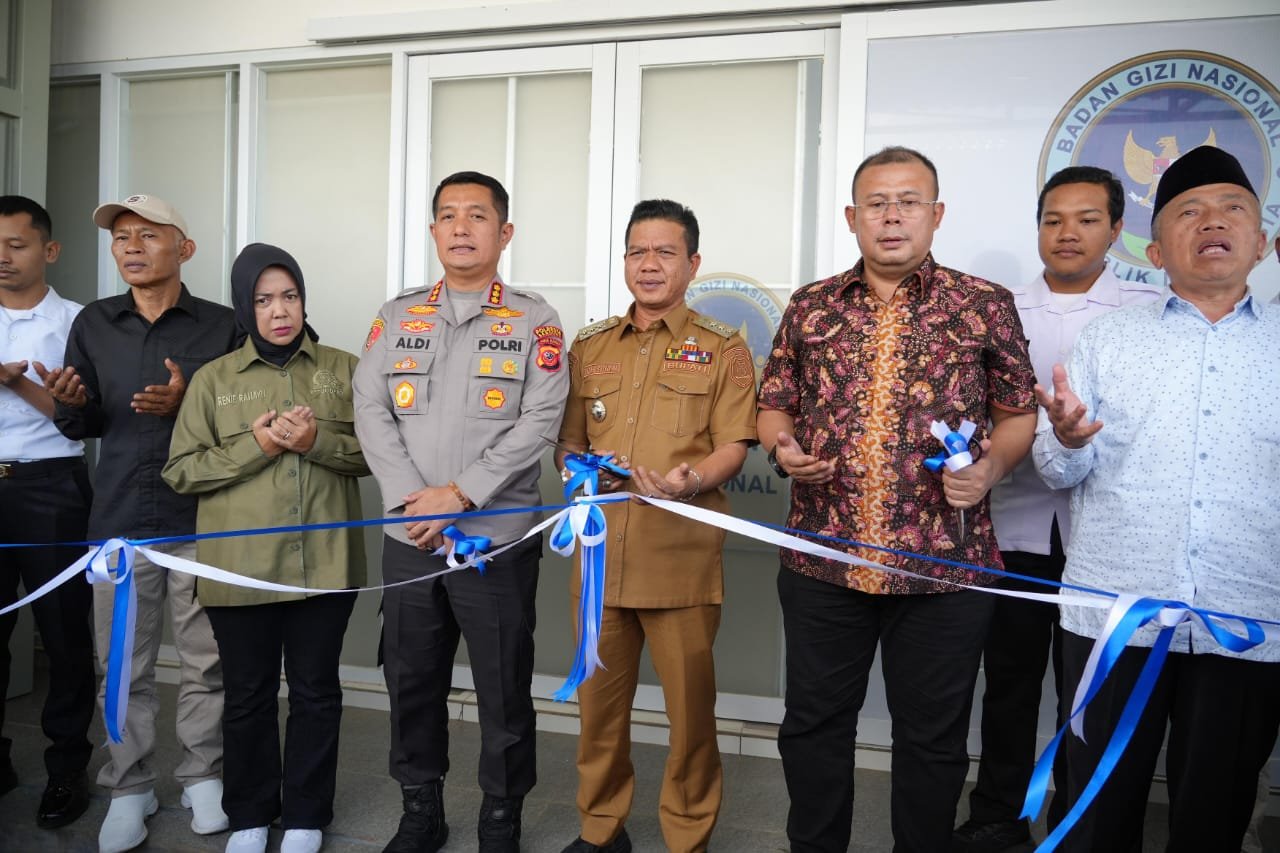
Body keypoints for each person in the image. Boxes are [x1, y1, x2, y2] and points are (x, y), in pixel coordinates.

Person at [757, 146, 1037, 853]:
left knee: (933, 740)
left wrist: (990, 469)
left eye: (908, 202)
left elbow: (1018, 413)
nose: (891, 216)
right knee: (813, 727)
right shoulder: (811, 305)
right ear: (852, 217)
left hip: (945, 566)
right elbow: (774, 403)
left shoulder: (983, 304)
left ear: (935, 214)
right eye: (877, 203)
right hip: (824, 560)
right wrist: (783, 449)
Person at [1035, 145, 1279, 851]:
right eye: (1189, 211)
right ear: (1153, 250)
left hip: (1247, 617)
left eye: (1233, 209)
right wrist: (1068, 439)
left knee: (1216, 812)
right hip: (1115, 616)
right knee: (1094, 808)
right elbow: (1054, 470)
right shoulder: (1107, 340)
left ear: (1262, 242)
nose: (1213, 222)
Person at [353, 171, 568, 853]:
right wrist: (411, 501)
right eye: (448, 215)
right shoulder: (397, 315)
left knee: (503, 686)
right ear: (433, 231)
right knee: (411, 680)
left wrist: (462, 494)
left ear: (505, 233)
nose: (461, 227)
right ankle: (421, 810)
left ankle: (501, 815)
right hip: (410, 536)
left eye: (477, 215)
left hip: (495, 540)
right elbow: (369, 408)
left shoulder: (535, 319)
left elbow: (540, 420)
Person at [953, 167, 1162, 851]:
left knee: (1091, 691)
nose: (1067, 233)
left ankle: (1078, 818)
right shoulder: (998, 308)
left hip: (1107, 539)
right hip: (1012, 527)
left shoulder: (1148, 311)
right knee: (1009, 682)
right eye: (1053, 220)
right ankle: (998, 815)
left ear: (1117, 229)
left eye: (1087, 219)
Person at [555, 200, 757, 853]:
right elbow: (568, 444)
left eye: (665, 252)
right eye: (638, 251)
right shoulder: (590, 346)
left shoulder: (723, 347)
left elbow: (735, 444)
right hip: (601, 562)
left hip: (680, 561)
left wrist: (691, 480)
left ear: (692, 263)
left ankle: (687, 836)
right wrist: (585, 472)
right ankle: (600, 829)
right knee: (598, 714)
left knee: (690, 718)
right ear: (624, 261)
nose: (649, 264)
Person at [44, 194, 237, 853]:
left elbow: (245, 422)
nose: (130, 245)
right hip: (120, 522)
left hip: (202, 519)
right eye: (121, 236)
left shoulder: (223, 327)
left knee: (208, 660)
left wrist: (189, 405)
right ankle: (129, 787)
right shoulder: (94, 323)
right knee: (123, 664)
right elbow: (84, 423)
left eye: (148, 234)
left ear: (184, 248)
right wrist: (70, 404)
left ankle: (203, 775)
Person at [163, 243, 368, 853]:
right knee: (247, 696)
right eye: (263, 299)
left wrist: (313, 443)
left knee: (316, 694)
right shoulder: (213, 380)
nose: (280, 311)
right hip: (240, 572)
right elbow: (181, 472)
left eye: (290, 296)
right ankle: (250, 813)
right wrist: (259, 447)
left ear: (303, 300)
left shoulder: (345, 369)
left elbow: (376, 456)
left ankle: (306, 815)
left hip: (324, 565)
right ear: (243, 307)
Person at [0, 195, 96, 830]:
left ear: (49, 250)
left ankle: (66, 771)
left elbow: (86, 421)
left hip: (53, 486)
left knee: (64, 637)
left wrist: (16, 382)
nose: (3, 258)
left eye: (17, 244)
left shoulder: (80, 322)